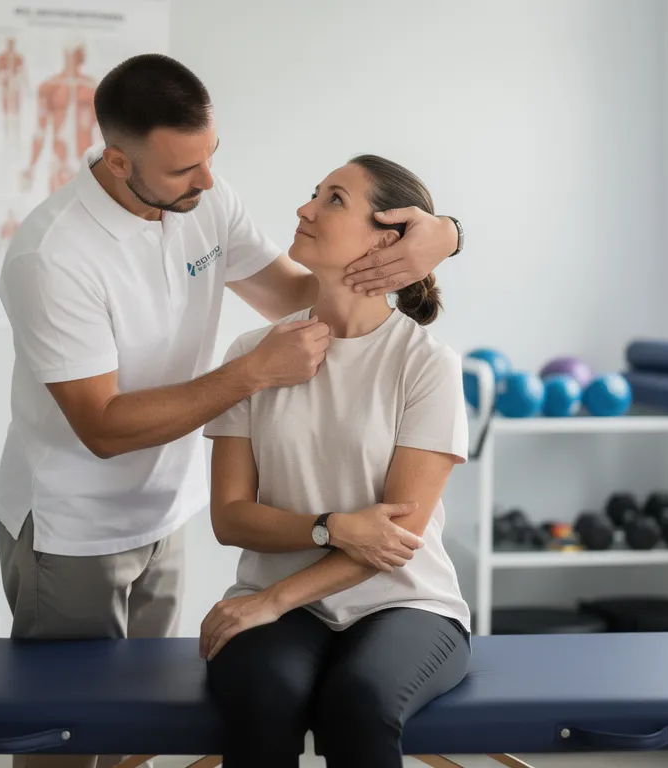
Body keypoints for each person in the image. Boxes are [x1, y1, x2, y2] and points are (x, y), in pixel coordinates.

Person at [0, 53, 465, 768]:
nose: (209, 181)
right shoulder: (53, 255)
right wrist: (251, 376)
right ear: (118, 163)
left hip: (163, 511)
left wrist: (445, 234)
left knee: (138, 740)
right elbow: (102, 428)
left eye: (212, 155)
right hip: (73, 523)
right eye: (186, 169)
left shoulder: (203, 201)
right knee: (68, 741)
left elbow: (295, 292)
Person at [199, 154, 472, 767]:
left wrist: (274, 600)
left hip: (405, 602)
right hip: (275, 596)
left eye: (334, 200)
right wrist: (330, 528)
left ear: (387, 240)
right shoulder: (253, 354)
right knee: (264, 697)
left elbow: (395, 539)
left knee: (360, 701)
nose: (306, 209)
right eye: (315, 193)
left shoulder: (426, 364)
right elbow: (230, 517)